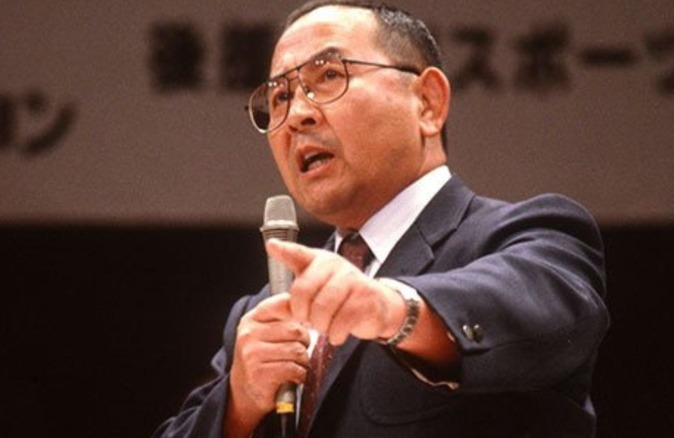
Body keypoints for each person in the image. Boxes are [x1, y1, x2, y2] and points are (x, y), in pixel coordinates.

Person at [154, 1, 609, 437]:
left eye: (329, 76)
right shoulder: (265, 314)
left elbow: (545, 312)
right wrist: (237, 404)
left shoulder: (532, 236)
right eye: (279, 98)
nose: (296, 116)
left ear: (428, 103)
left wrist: (390, 308)